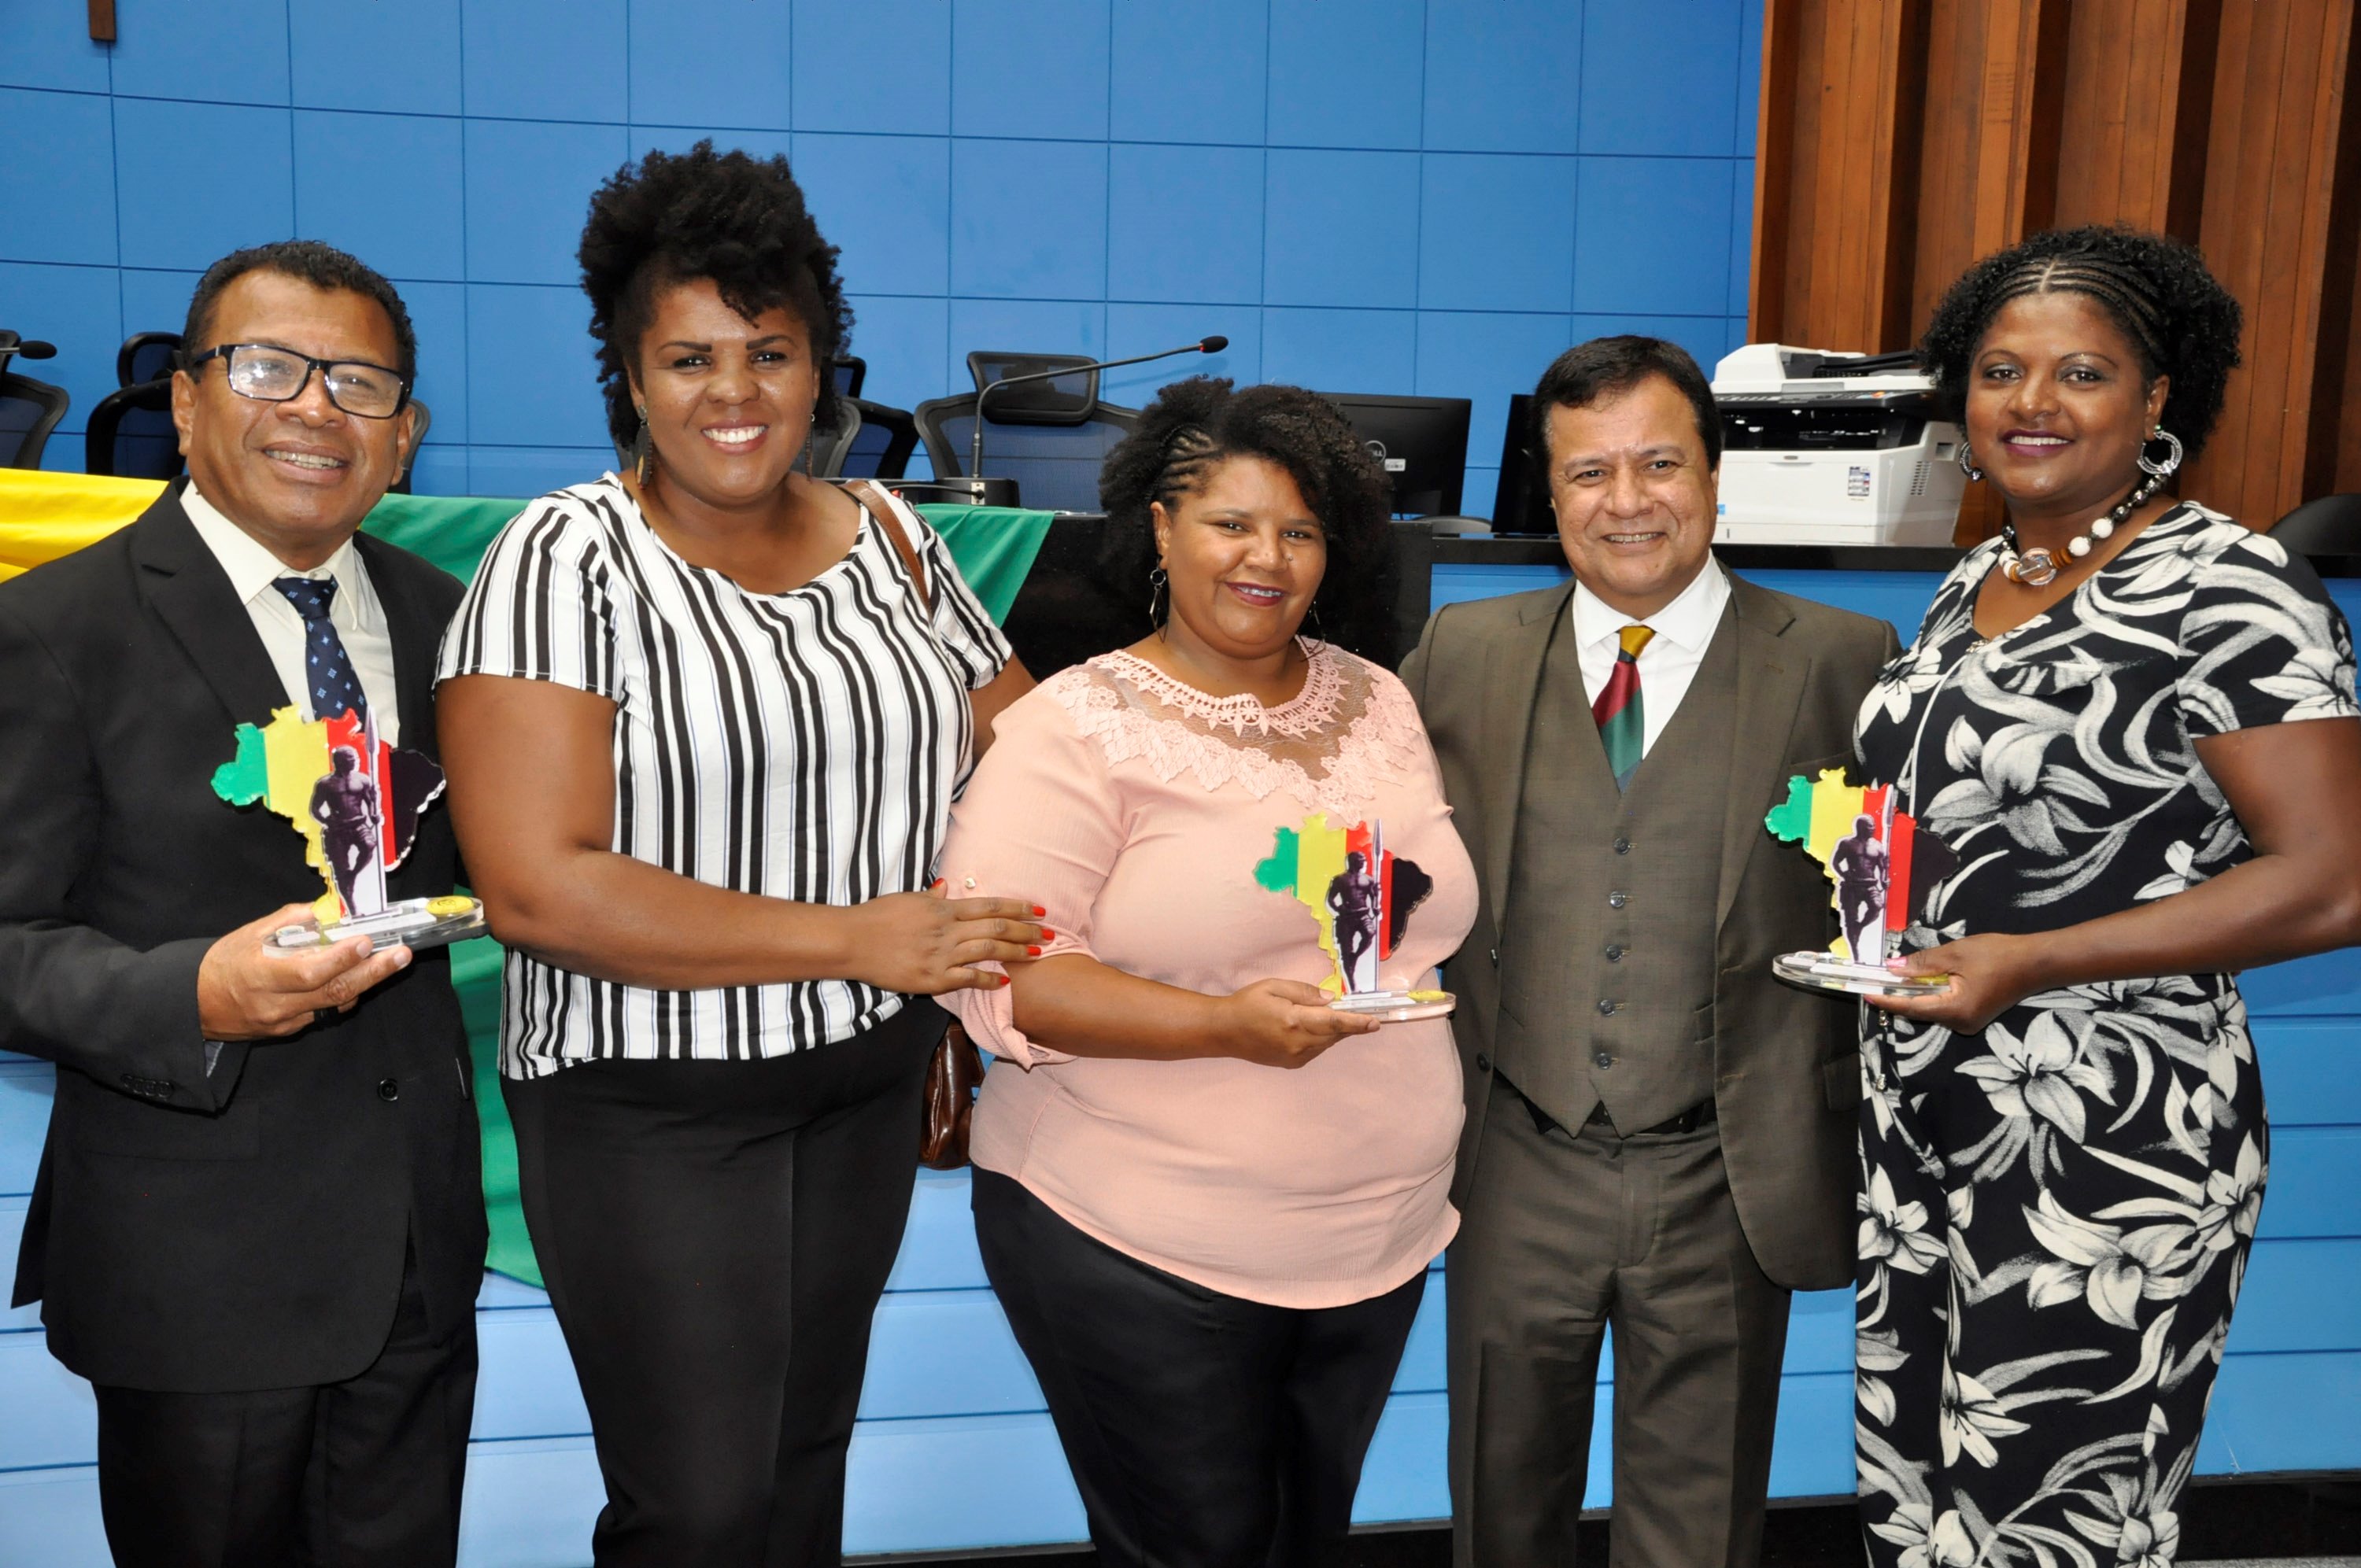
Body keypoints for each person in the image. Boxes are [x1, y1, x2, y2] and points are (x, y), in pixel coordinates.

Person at [434, 142, 1042, 1567]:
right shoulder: (563, 558)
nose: (735, 392)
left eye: (770, 353)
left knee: (800, 1465)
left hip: (862, 1079)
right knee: (700, 1505)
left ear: (822, 369)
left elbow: (1032, 759)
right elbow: (536, 885)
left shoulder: (896, 539)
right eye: (690, 357)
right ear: (630, 377)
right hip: (647, 1100)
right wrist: (854, 936)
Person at [1853, 226, 2361, 1567]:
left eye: (2082, 372)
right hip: (1930, 1113)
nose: (2032, 401)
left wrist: (2035, 957)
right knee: (1919, 1504)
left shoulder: (2229, 583)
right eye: (1999, 371)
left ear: (2157, 398)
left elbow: (2334, 879)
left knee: (2055, 1517)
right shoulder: (1977, 581)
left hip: (2112, 1131)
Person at [937, 377, 1477, 1568]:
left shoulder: (1380, 699)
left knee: (1301, 1543)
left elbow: (1406, 915)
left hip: (1375, 1240)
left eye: (1300, 530)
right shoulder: (1075, 727)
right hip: (1138, 1243)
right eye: (1232, 523)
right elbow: (1004, 975)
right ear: (1162, 526)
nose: (1266, 558)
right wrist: (1221, 1023)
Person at [0, 240, 482, 1566]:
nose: (319, 408)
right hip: (194, 1266)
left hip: (418, 1256)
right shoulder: (52, 629)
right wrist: (194, 994)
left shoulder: (456, 624)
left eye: (361, 384)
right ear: (187, 399)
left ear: (405, 436)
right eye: (271, 368)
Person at [1404, 336, 1899, 1567]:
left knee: (1699, 1524)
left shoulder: (1846, 658)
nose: (1626, 501)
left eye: (1661, 464)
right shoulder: (1463, 651)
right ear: (1550, 491)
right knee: (1499, 1507)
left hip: (1728, 1167)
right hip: (1513, 1159)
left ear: (1716, 475)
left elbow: (1904, 888)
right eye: (1589, 472)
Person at [312, 743, 382, 909]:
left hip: (359, 825)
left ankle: (353, 875)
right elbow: (315, 808)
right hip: (337, 830)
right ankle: (352, 908)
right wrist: (326, 821)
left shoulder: (363, 780)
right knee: (341, 870)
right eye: (351, 758)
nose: (356, 761)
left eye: (356, 757)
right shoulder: (325, 784)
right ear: (340, 761)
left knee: (369, 845)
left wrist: (374, 812)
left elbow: (370, 802)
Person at [1832, 813, 1890, 961]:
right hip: (1852, 886)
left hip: (1870, 884)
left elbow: (1883, 868)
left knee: (1877, 906)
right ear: (1861, 827)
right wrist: (1844, 874)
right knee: (1851, 920)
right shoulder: (1847, 843)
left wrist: (1884, 880)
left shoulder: (1878, 846)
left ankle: (1861, 926)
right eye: (1870, 826)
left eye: (1874, 826)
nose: (1873, 828)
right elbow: (1835, 862)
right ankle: (1856, 956)